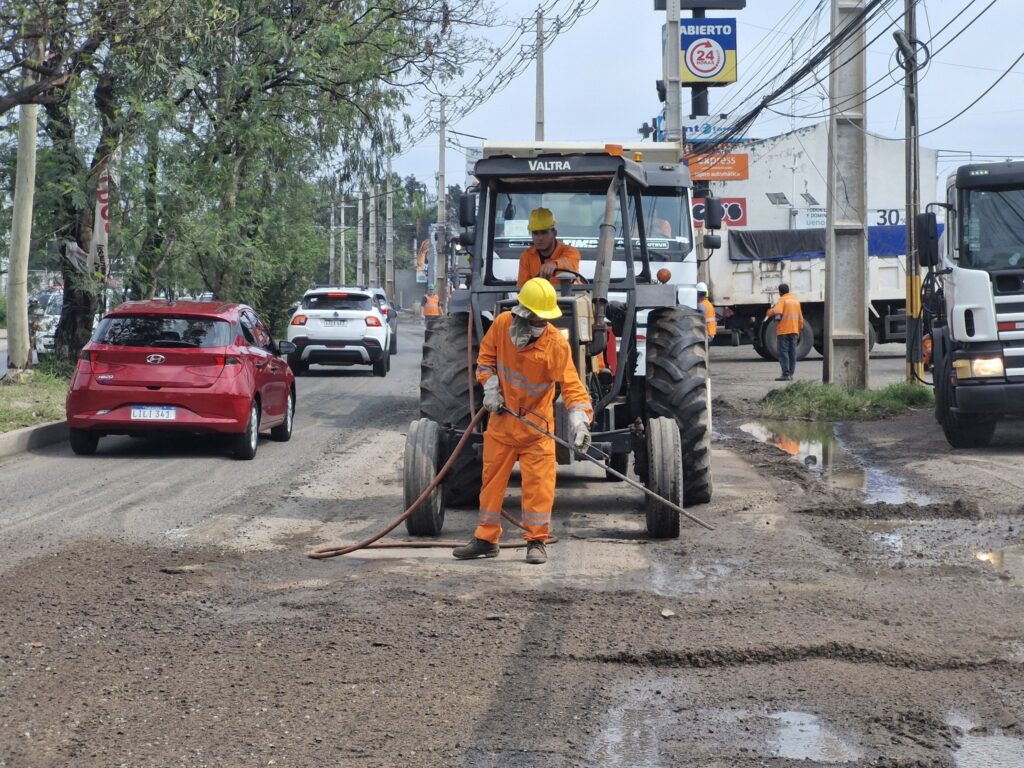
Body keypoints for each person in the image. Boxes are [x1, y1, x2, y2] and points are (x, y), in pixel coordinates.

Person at [453, 278, 593, 565]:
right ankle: (486, 539)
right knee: (491, 485)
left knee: (539, 488)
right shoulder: (503, 324)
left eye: (545, 318)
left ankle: (536, 541)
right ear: (521, 313)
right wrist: (490, 386)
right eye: (536, 317)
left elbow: (572, 387)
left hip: (536, 430)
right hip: (502, 425)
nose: (541, 323)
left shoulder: (555, 345)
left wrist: (580, 422)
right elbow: (486, 359)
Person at [516, 207, 581, 287]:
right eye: (535, 233)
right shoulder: (526, 256)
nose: (540, 238)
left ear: (554, 233)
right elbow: (521, 289)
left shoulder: (571, 251)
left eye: (544, 232)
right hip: (538, 298)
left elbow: (570, 261)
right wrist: (537, 280)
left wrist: (555, 264)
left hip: (566, 298)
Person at [765, 282, 804, 382]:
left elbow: (777, 311)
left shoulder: (782, 300)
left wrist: (769, 312)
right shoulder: (796, 300)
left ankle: (785, 374)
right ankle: (790, 374)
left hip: (784, 331)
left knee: (783, 352)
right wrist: (799, 329)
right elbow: (800, 317)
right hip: (794, 330)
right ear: (788, 290)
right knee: (792, 352)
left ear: (780, 292)